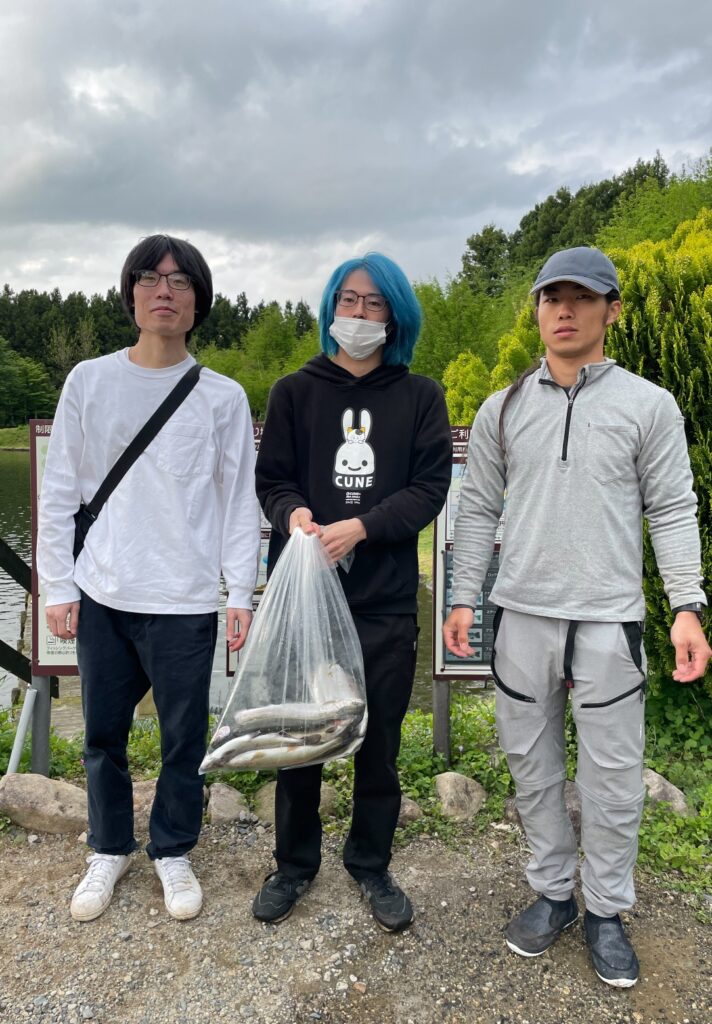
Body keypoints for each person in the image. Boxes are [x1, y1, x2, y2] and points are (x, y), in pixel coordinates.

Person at [443, 246, 710, 988]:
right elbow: (477, 510)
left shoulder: (649, 405)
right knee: (532, 768)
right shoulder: (502, 409)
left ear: (611, 310)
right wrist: (463, 596)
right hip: (521, 615)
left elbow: (672, 508)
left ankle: (607, 910)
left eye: (582, 297)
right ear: (536, 310)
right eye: (550, 297)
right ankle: (554, 892)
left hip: (608, 620)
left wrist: (687, 606)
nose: (564, 310)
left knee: (614, 777)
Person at [38, 234, 261, 922]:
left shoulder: (222, 397)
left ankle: (172, 849)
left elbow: (238, 503)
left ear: (199, 301)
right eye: (149, 278)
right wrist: (58, 585)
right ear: (130, 294)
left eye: (180, 281)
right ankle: (108, 847)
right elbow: (59, 490)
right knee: (101, 734)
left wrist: (240, 592)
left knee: (182, 739)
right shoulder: (90, 381)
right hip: (104, 590)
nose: (164, 291)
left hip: (185, 598)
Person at [252, 252, 452, 931]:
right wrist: (295, 516)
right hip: (306, 599)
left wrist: (363, 526)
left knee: (380, 742)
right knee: (300, 736)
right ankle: (293, 864)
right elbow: (272, 481)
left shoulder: (419, 396)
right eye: (348, 300)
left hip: (386, 600)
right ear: (330, 307)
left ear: (395, 316)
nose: (359, 313)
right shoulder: (294, 391)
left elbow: (429, 489)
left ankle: (370, 864)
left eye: (374, 303)